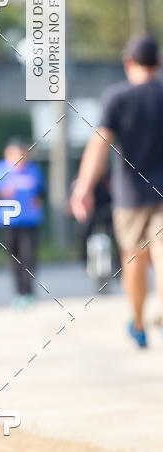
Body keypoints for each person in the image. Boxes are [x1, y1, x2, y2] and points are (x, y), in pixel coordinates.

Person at [70, 35, 163, 349]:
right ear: (158, 64)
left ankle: (137, 321)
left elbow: (99, 145)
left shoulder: (117, 97)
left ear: (128, 64)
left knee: (134, 260)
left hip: (130, 197)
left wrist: (83, 187)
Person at [0, 138, 44, 308]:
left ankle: (29, 293)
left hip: (30, 221)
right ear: (7, 154)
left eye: (23, 154)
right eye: (17, 154)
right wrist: (1, 192)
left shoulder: (33, 170)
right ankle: (19, 293)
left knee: (29, 257)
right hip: (8, 222)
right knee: (14, 259)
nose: (20, 157)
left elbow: (41, 189)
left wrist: (38, 199)